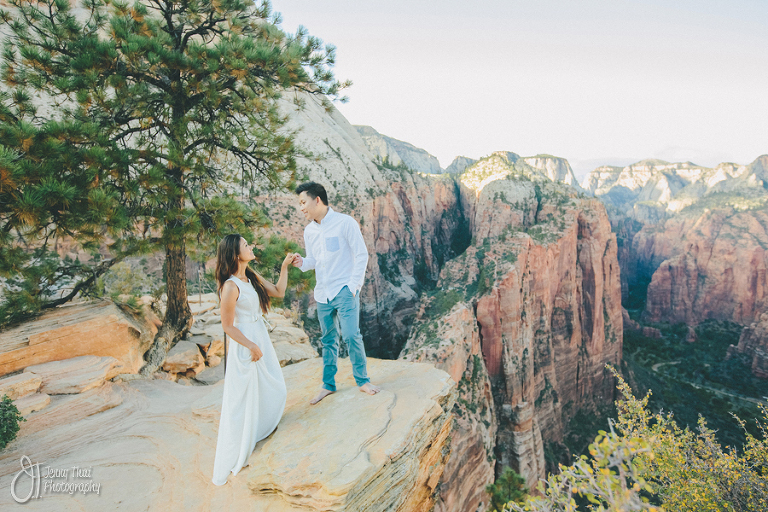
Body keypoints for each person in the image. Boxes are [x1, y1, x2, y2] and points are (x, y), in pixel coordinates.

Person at [211, 234, 294, 486]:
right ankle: (242, 441)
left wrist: (284, 267)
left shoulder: (252, 277)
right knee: (243, 395)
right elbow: (227, 326)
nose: (251, 247)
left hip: (259, 338)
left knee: (274, 385)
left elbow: (279, 292)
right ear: (236, 254)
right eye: (246, 245)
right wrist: (250, 345)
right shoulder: (230, 286)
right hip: (245, 344)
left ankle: (259, 428)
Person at [291, 181, 381, 405]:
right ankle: (328, 385)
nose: (301, 208)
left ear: (317, 200)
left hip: (344, 289)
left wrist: (353, 286)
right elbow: (313, 260)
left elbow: (361, 255)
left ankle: (362, 380)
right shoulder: (309, 230)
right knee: (328, 339)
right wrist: (302, 262)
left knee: (351, 335)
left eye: (303, 202)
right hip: (322, 293)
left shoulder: (345, 223)